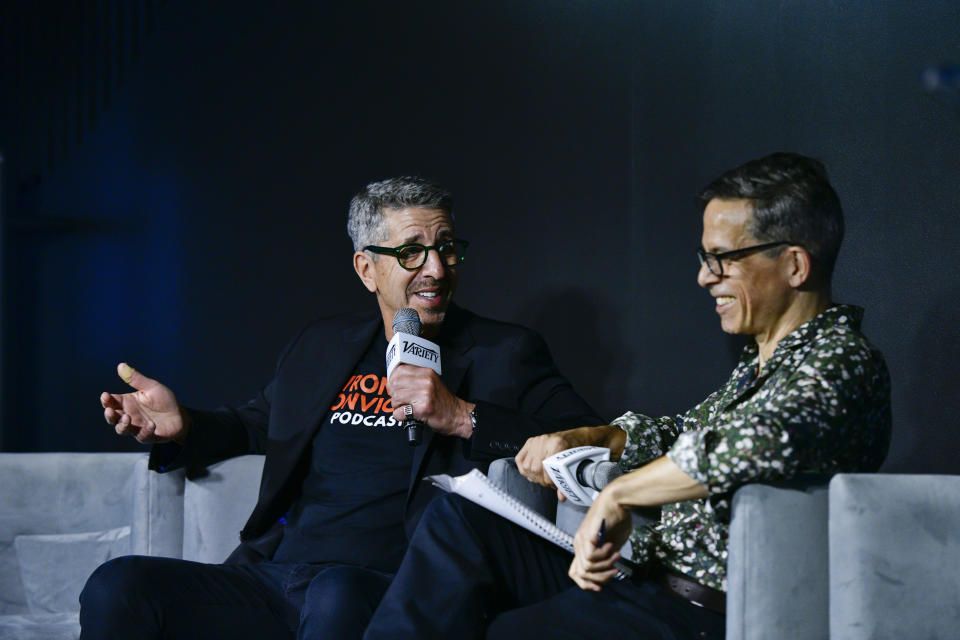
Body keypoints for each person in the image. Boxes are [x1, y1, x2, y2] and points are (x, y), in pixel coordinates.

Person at [363, 153, 892, 640]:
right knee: (461, 524)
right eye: (704, 257)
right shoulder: (762, 361)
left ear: (795, 266)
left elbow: (742, 447)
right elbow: (679, 432)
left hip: (701, 613)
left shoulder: (840, 363)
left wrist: (620, 495)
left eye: (723, 259)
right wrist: (589, 435)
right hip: (638, 577)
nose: (705, 278)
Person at [79, 176, 600, 640]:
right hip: (278, 575)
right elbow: (256, 425)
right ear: (367, 269)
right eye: (412, 252)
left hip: (394, 588)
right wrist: (182, 425)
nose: (436, 269)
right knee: (118, 585)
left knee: (337, 594)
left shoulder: (504, 352)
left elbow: (592, 434)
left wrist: (463, 415)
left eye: (446, 248)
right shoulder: (322, 344)